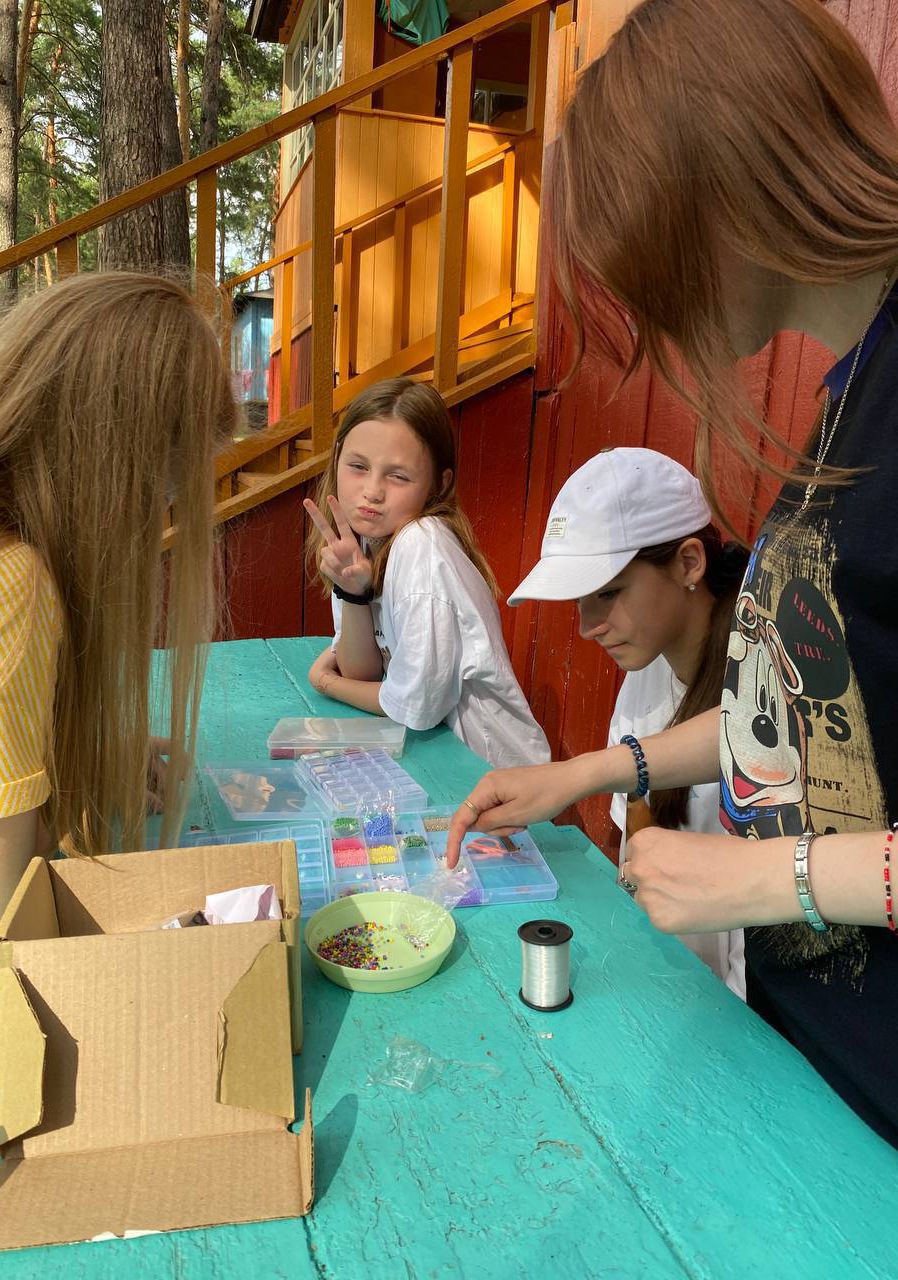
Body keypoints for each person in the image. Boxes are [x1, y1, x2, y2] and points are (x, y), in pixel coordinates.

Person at [447, 0, 898, 1145]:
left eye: (646, 255)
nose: (649, 309)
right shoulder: (851, 389)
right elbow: (807, 712)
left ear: (727, 187)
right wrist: (588, 770)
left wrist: (768, 879)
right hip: (812, 1079)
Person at [0, 272, 238, 963]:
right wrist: (70, 788)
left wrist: (90, 753)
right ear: (109, 473)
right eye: (160, 495)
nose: (155, 525)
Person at [508, 446, 747, 996]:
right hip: (666, 979)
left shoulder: (768, 687)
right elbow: (637, 842)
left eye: (609, 593)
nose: (588, 625)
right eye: (580, 600)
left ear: (689, 563)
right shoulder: (648, 666)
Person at [303, 377, 550, 769]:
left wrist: (325, 682)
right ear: (336, 459)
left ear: (438, 484)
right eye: (358, 467)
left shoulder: (420, 544)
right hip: (441, 763)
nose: (372, 491)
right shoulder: (363, 541)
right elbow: (364, 672)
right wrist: (353, 593)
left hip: (495, 774)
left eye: (398, 476)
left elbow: (414, 707)